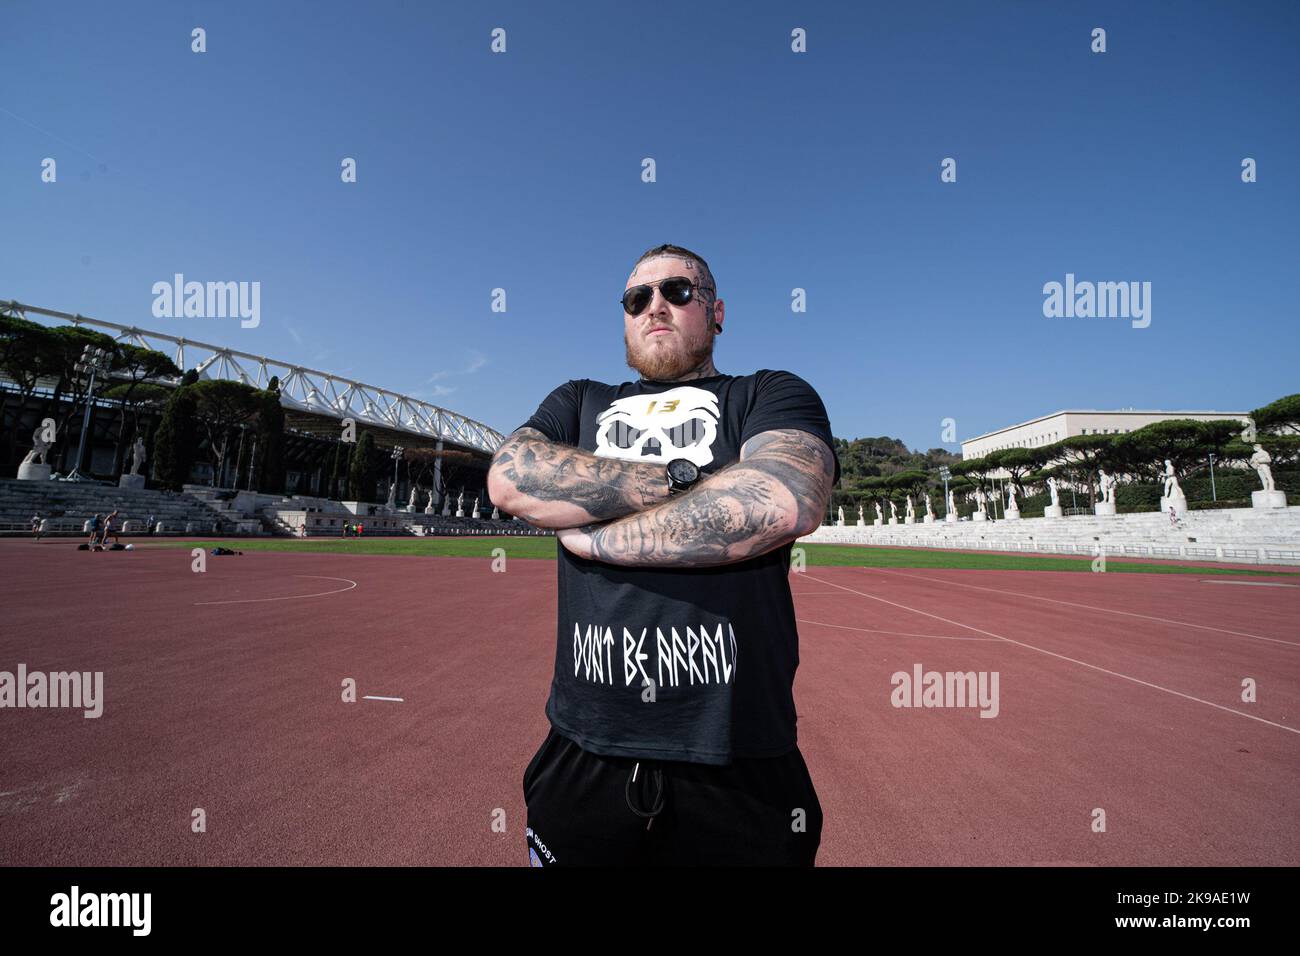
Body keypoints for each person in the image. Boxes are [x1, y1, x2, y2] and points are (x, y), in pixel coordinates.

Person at [489, 244, 838, 867]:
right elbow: (512, 478)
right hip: (584, 749)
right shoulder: (580, 398)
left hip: (737, 757)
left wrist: (598, 532)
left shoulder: (767, 393)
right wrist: (699, 481)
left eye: (677, 292)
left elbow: (785, 499)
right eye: (636, 298)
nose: (655, 306)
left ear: (716, 311)